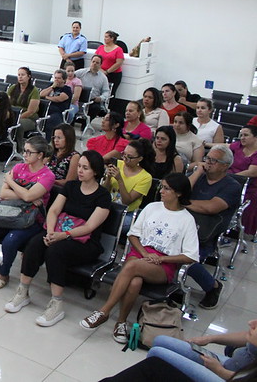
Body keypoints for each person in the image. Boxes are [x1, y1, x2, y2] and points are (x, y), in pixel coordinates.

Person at [80, 173, 199, 344]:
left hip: (163, 263)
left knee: (132, 267)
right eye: (162, 187)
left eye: (166, 188)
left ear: (179, 193)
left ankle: (103, 311)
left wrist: (162, 260)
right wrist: (144, 254)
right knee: (135, 281)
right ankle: (121, 322)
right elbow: (133, 235)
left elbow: (190, 256)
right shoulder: (152, 207)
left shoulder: (187, 220)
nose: (161, 191)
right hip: (141, 253)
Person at [5, 150, 111, 326]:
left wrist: (63, 235)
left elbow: (90, 227)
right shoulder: (70, 187)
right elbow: (54, 210)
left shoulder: (102, 196)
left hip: (85, 242)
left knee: (55, 251)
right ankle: (23, 291)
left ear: (96, 172)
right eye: (79, 167)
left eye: (85, 168)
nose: (80, 171)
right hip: (58, 232)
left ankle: (56, 303)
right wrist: (51, 232)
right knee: (35, 243)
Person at [0, 135, 56, 290]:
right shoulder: (19, 167)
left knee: (10, 241)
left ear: (40, 155)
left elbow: (28, 196)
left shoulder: (48, 176)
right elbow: (4, 194)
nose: (24, 155)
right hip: (8, 212)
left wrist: (11, 182)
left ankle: (4, 273)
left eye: (29, 152)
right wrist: (28, 195)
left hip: (30, 219)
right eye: (24, 151)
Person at [184, 145, 242, 310]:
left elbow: (211, 207)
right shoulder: (198, 176)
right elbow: (179, 191)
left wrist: (184, 203)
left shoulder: (231, 186)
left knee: (185, 258)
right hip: (184, 224)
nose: (208, 163)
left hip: (206, 233)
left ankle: (213, 286)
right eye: (207, 158)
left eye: (213, 161)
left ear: (225, 165)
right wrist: (196, 173)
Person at [145, 319, 257, 382]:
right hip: (231, 365)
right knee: (161, 341)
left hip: (231, 378)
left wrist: (219, 370)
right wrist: (210, 338)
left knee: (156, 354)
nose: (251, 323)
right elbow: (246, 336)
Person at [104, 138, 154, 232]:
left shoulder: (146, 177)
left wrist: (120, 180)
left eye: (130, 157)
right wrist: (108, 178)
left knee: (108, 222)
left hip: (126, 213)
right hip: (107, 206)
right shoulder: (118, 164)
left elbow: (127, 201)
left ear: (140, 159)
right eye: (124, 155)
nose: (125, 159)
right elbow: (104, 192)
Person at [229, 125, 257, 239]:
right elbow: (224, 147)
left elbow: (252, 172)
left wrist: (231, 176)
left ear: (255, 137)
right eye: (241, 135)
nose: (242, 138)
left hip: (248, 186)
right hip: (230, 180)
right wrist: (205, 144)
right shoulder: (238, 146)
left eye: (246, 135)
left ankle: (238, 228)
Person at [7, 67, 40, 150]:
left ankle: (19, 149)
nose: (20, 77)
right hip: (13, 114)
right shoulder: (13, 88)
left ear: (28, 77)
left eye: (23, 75)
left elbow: (31, 111)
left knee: (18, 125)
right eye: (19, 75)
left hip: (29, 118)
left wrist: (17, 118)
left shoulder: (34, 91)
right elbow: (6, 103)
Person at [74, 55, 111, 124]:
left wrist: (100, 98)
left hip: (93, 100)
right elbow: (70, 77)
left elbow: (106, 91)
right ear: (90, 62)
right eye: (93, 61)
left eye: (97, 63)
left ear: (100, 65)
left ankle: (86, 123)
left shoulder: (103, 78)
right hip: (79, 98)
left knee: (96, 108)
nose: (94, 64)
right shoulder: (81, 72)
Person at [39, 69, 72, 140]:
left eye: (59, 78)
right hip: (46, 109)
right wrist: (52, 87)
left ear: (64, 80)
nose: (56, 80)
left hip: (58, 112)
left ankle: (46, 141)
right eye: (55, 78)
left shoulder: (67, 89)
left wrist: (47, 97)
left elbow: (59, 99)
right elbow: (41, 94)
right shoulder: (51, 86)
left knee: (50, 121)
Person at [46, 123, 80, 189]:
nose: (55, 140)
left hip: (58, 188)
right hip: (44, 183)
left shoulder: (75, 156)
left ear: (68, 138)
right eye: (54, 137)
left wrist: (48, 181)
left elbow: (69, 181)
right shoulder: (51, 152)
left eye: (59, 138)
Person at [95, 30, 125, 96]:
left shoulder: (118, 49)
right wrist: (100, 69)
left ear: (112, 38)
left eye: (106, 37)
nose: (104, 39)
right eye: (104, 37)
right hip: (100, 72)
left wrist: (107, 71)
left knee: (111, 92)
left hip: (114, 74)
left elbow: (119, 63)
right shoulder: (101, 47)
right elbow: (95, 59)